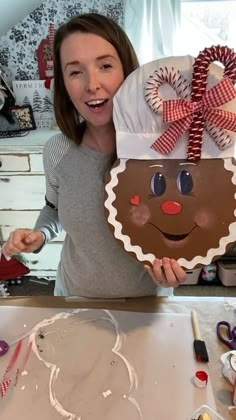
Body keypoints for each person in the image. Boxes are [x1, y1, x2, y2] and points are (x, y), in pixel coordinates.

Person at [2, 13, 186, 297]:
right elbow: (54, 208)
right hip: (73, 299)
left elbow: (183, 223)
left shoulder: (164, 149)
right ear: (63, 84)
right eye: (75, 71)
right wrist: (39, 235)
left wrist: (179, 266)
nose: (92, 84)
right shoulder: (57, 150)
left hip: (146, 308)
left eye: (105, 65)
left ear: (128, 71)